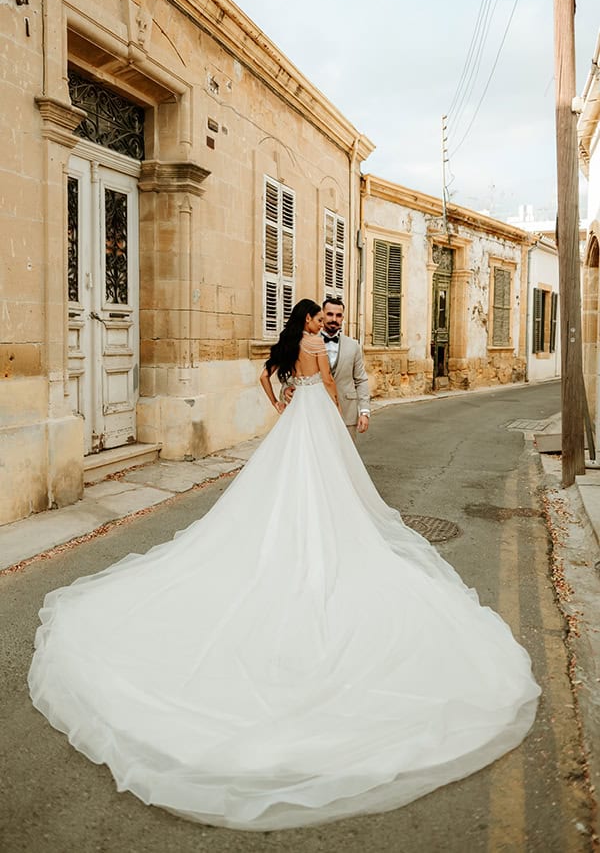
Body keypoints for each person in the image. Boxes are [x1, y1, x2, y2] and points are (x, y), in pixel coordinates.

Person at [28, 298, 540, 833]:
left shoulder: (287, 347)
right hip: (319, 418)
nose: (322, 324)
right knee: (325, 478)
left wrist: (281, 403)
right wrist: (337, 417)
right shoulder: (316, 346)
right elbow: (331, 385)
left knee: (285, 479)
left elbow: (266, 376)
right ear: (312, 320)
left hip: (296, 416)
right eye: (319, 316)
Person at [283, 296, 370, 436]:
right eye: (329, 314)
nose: (334, 319)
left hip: (346, 414)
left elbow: (361, 380)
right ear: (322, 315)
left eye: (339, 315)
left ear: (343, 318)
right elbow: (290, 372)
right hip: (313, 414)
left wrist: (364, 411)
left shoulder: (353, 346)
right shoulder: (302, 343)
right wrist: (286, 388)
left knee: (345, 456)